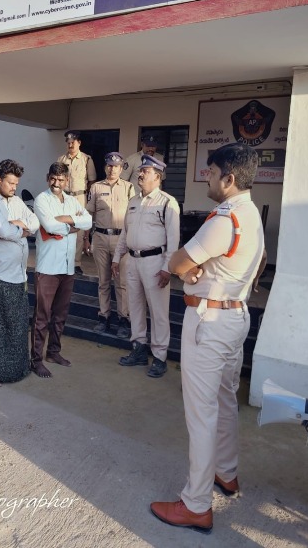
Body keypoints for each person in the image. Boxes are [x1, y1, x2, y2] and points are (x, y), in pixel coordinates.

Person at [150, 144, 266, 534]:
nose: (207, 179)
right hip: (235, 315)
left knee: (202, 414)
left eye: (212, 173)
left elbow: (176, 261)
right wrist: (198, 270)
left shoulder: (224, 218)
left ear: (229, 178)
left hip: (210, 320)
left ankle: (196, 504)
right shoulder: (251, 213)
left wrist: (189, 271)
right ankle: (226, 473)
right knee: (225, 400)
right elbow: (261, 262)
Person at [113, 154, 180, 378]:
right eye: (141, 170)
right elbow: (125, 233)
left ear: (157, 177)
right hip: (132, 261)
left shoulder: (167, 202)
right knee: (135, 307)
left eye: (146, 171)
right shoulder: (133, 201)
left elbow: (173, 239)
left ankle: (160, 357)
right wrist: (117, 257)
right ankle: (139, 349)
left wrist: (167, 268)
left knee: (158, 311)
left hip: (155, 262)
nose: (140, 174)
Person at [0, 159, 40, 387]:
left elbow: (35, 222)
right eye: (11, 183)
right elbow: (2, 230)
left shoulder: (16, 201)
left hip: (18, 274)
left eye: (16, 183)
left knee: (16, 324)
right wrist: (19, 229)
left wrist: (18, 224)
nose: (14, 187)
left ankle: (17, 370)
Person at [31, 162, 92, 378]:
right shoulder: (41, 200)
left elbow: (88, 221)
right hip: (48, 267)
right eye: (53, 178)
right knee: (42, 316)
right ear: (48, 178)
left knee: (60, 315)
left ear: (67, 181)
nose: (56, 183)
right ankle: (36, 360)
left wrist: (65, 220)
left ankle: (53, 352)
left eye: (61, 179)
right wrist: (73, 225)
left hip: (67, 267)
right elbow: (49, 226)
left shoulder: (73, 201)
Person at [86, 152, 136, 339]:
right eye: (109, 165)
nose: (112, 169)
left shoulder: (129, 188)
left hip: (121, 239)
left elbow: (133, 216)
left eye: (115, 166)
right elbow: (89, 214)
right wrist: (86, 238)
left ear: (121, 168)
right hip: (100, 237)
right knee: (103, 281)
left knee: (122, 282)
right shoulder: (96, 187)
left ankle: (123, 319)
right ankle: (104, 316)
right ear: (105, 167)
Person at [56, 131, 96, 275]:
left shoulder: (86, 159)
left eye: (73, 142)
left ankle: (76, 262)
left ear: (79, 143)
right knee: (62, 227)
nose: (70, 145)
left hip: (79, 197)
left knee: (79, 230)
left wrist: (85, 196)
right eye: (68, 142)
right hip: (64, 196)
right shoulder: (61, 159)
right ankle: (62, 261)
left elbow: (92, 180)